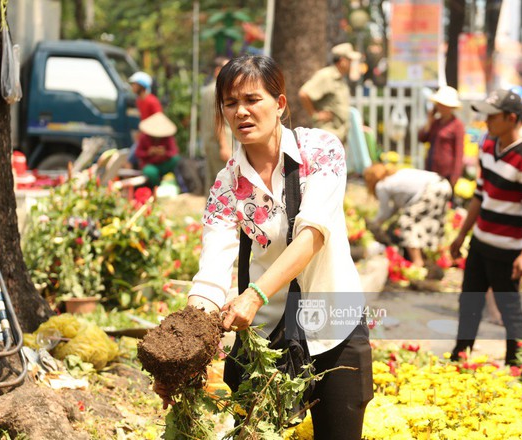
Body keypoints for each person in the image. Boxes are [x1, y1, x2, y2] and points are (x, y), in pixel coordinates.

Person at [155, 55, 373, 439]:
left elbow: (313, 234)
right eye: (230, 103)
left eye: (252, 99)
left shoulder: (320, 151)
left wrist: (254, 294)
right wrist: (182, 351)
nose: (241, 111)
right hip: (266, 339)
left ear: (280, 104)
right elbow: (212, 273)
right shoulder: (226, 186)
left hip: (335, 322)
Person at [449, 89, 522, 365]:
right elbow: (480, 193)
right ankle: (459, 359)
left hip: (507, 251)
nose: (486, 121)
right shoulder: (489, 146)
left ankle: (518, 368)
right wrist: (461, 235)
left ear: (511, 118)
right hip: (480, 243)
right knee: (469, 305)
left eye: (492, 115)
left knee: (510, 311)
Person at [364, 163, 452, 268]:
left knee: (406, 222)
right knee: (427, 223)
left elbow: (385, 213)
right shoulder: (396, 176)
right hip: (443, 185)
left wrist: (373, 224)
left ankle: (417, 262)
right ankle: (426, 258)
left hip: (431, 189)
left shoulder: (382, 185)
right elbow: (395, 208)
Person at [298, 43, 361, 145]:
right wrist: (315, 115)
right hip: (326, 138)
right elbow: (304, 93)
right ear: (342, 61)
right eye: (349, 60)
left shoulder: (340, 79)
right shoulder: (326, 76)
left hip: (339, 136)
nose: (351, 63)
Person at [418, 86, 465, 187]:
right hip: (430, 170)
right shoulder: (435, 122)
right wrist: (429, 120)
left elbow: (459, 153)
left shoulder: (457, 125)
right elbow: (422, 138)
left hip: (446, 174)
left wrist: (455, 177)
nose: (440, 107)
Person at [200, 57, 231, 193]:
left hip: (209, 141)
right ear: (218, 71)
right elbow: (218, 118)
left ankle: (209, 212)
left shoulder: (206, 90)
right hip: (220, 142)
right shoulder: (220, 91)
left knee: (212, 181)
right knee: (224, 182)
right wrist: (224, 145)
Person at [134, 112, 180, 187]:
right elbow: (138, 153)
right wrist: (148, 153)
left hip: (164, 164)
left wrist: (165, 153)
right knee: (150, 172)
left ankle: (178, 184)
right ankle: (157, 187)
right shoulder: (144, 137)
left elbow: (174, 152)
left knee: (177, 159)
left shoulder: (168, 138)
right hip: (150, 164)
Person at [128, 72, 163, 168]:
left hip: (151, 139)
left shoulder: (152, 101)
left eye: (134, 84)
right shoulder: (139, 101)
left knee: (129, 160)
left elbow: (159, 121)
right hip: (143, 137)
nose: (132, 87)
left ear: (141, 85)